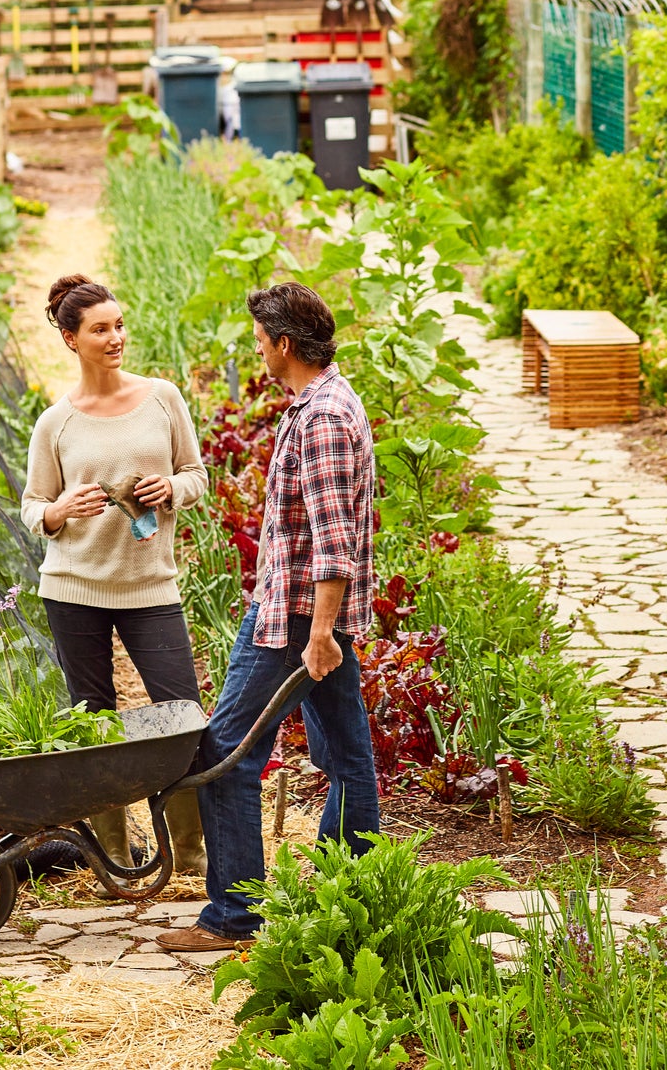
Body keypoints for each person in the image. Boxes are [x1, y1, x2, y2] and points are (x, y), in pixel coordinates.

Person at [157, 282, 379, 952]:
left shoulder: (322, 420)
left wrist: (317, 635)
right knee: (347, 759)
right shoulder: (321, 403)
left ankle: (232, 919)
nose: (256, 353)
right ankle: (353, 895)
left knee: (227, 752)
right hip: (308, 615)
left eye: (260, 342)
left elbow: (334, 540)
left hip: (294, 619)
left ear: (286, 345)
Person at [21, 274, 211, 875]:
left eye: (119, 325)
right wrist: (58, 512)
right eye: (100, 329)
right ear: (72, 340)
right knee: (95, 719)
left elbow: (196, 474)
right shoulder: (56, 423)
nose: (115, 337)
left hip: (150, 585)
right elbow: (31, 506)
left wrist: (172, 488)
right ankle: (114, 860)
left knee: (181, 714)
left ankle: (188, 861)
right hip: (74, 588)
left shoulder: (162, 398)